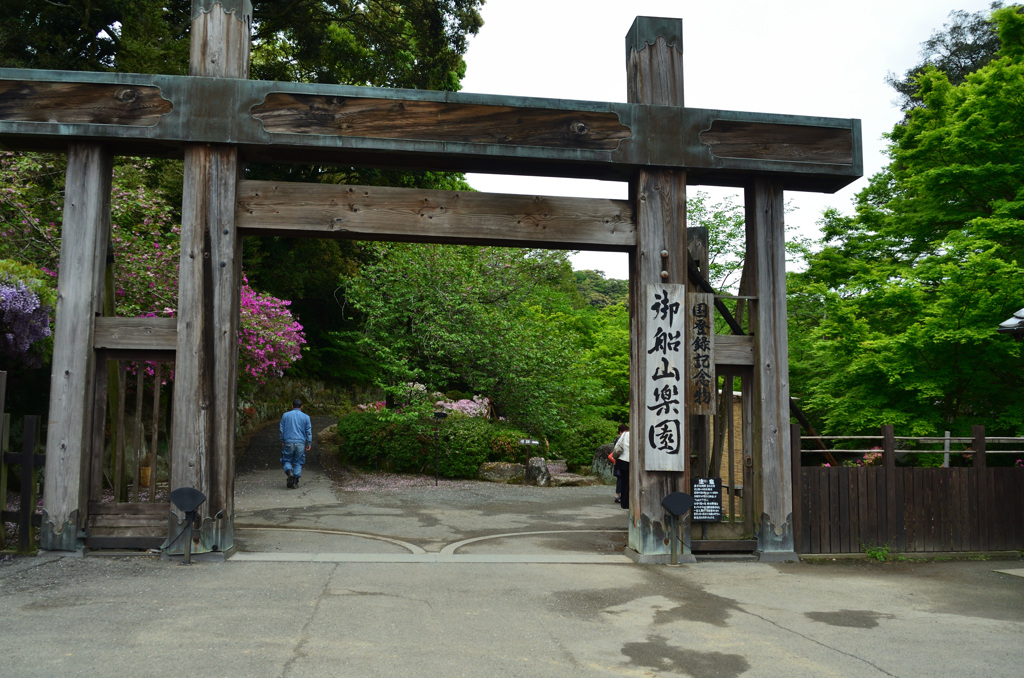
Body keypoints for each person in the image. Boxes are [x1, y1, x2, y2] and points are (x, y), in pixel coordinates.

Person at [280, 398, 312, 489]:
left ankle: (289, 472)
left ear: (292, 406)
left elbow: (281, 430)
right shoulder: (306, 417)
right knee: (298, 461)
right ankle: (295, 481)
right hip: (300, 442)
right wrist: (308, 443)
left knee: (286, 459)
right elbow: (308, 431)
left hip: (288, 441)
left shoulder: (285, 415)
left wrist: (282, 440)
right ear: (302, 407)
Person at [612, 423, 630, 510]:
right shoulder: (637, 434)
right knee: (630, 482)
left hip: (622, 460)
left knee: (623, 482)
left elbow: (618, 446)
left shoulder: (625, 435)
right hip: (631, 461)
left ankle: (624, 502)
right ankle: (629, 501)